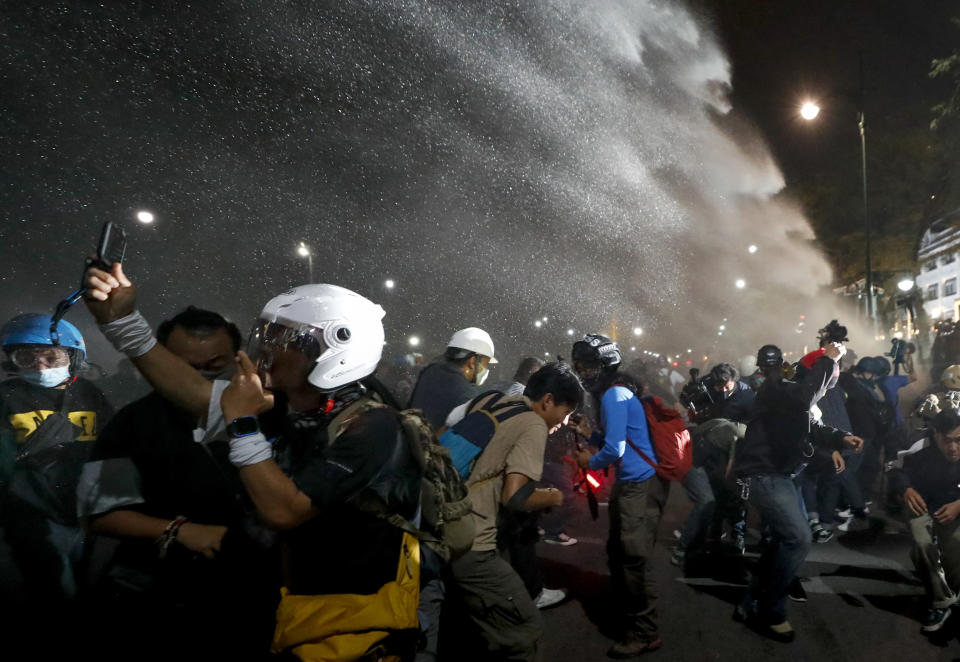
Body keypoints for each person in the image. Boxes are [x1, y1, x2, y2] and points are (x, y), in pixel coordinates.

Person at [83, 262, 424, 660]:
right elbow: (197, 395)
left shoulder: (375, 427)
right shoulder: (297, 407)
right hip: (292, 612)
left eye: (284, 338)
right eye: (267, 333)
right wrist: (123, 323)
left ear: (336, 347)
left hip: (347, 629)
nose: (266, 348)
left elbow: (285, 510)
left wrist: (243, 422)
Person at [76, 306, 279, 659]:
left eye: (215, 365)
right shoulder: (133, 423)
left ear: (238, 357)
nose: (200, 376)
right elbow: (99, 514)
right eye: (185, 366)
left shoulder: (272, 416)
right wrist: (179, 531)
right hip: (155, 593)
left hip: (251, 594)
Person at [733, 343, 863, 643]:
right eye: (829, 377)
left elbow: (814, 428)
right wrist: (829, 360)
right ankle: (771, 611)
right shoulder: (777, 390)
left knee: (782, 539)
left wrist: (842, 438)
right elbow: (806, 399)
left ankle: (752, 600)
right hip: (763, 475)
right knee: (799, 538)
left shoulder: (795, 397)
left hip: (781, 475)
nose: (831, 383)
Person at [0, 314, 113, 653]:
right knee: (51, 589)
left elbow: (111, 445)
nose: (40, 364)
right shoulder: (6, 398)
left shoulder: (90, 395)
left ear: (73, 356)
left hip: (85, 512)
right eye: (27, 357)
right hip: (29, 512)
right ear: (12, 361)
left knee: (89, 582)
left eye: (51, 356)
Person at [572, 334, 667, 658]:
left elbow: (616, 448)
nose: (582, 372)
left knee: (632, 560)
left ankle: (644, 632)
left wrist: (589, 460)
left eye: (586, 366)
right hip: (635, 483)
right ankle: (628, 607)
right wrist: (591, 434)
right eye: (579, 366)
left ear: (605, 363)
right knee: (621, 553)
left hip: (639, 487)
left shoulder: (614, 394)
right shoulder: (618, 392)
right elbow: (618, 435)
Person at [889, 407, 960, 633]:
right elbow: (893, 467)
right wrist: (906, 489)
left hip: (955, 505)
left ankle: (956, 592)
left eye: (959, 440)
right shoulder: (918, 443)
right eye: (947, 440)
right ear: (935, 433)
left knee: (955, 548)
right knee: (923, 545)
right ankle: (941, 601)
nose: (953, 447)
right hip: (923, 504)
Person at [408, 327, 498, 429]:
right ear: (473, 362)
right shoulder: (467, 396)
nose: (486, 369)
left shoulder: (429, 371)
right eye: (486, 364)